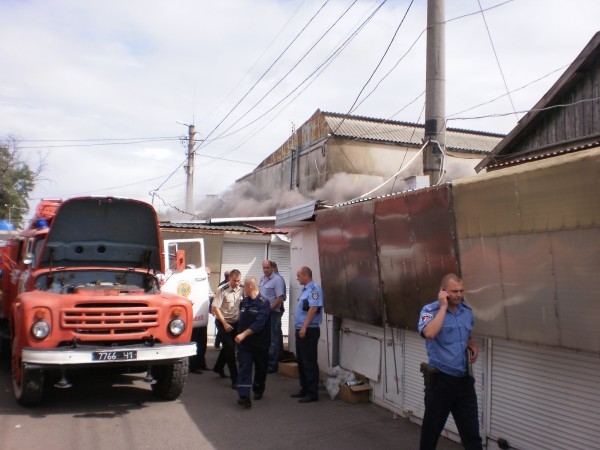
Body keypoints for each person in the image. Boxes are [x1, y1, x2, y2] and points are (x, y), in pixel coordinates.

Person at [417, 273, 482, 450]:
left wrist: (472, 344)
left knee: (472, 435)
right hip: (440, 382)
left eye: (461, 291)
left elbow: (466, 334)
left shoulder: (466, 312)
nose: (459, 295)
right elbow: (429, 333)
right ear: (443, 291)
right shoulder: (430, 311)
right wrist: (443, 307)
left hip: (463, 383)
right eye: (454, 291)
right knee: (430, 434)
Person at [234, 277, 271, 408]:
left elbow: (259, 324)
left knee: (261, 369)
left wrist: (243, 334)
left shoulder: (264, 303)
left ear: (249, 287)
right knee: (244, 368)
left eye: (244, 287)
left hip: (260, 344)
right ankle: (244, 396)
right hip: (245, 345)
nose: (243, 289)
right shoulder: (244, 302)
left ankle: (258, 389)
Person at [291, 266, 323, 403]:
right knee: (301, 361)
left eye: (299, 276)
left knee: (309, 361)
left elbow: (314, 308)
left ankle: (312, 392)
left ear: (305, 275)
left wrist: (304, 327)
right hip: (301, 329)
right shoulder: (304, 290)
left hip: (309, 330)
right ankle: (304, 388)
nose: (297, 278)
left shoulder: (315, 289)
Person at [211, 269, 243, 389]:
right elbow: (215, 308)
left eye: (238, 281)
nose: (236, 283)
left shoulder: (242, 289)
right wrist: (224, 323)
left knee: (229, 346)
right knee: (230, 349)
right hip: (223, 322)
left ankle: (218, 367)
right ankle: (235, 379)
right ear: (229, 278)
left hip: (236, 322)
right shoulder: (222, 290)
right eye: (234, 280)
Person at [259, 260, 285, 373]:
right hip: (263, 313)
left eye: (267, 268)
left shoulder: (277, 280)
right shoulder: (262, 278)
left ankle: (272, 365)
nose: (265, 270)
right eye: (264, 268)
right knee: (264, 338)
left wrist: (269, 310)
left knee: (273, 339)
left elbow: (280, 298)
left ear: (272, 268)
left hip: (273, 313)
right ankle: (265, 362)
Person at [189, 266, 211, 373]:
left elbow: (210, 296)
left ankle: (201, 363)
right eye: (207, 274)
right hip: (194, 318)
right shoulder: (193, 285)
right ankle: (193, 366)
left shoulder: (206, 285)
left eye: (209, 274)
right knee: (194, 342)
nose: (208, 276)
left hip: (203, 318)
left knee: (202, 342)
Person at [213, 270, 230, 349]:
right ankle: (218, 344)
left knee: (221, 332)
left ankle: (218, 344)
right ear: (228, 277)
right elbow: (217, 302)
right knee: (221, 331)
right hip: (222, 314)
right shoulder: (223, 286)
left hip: (225, 315)